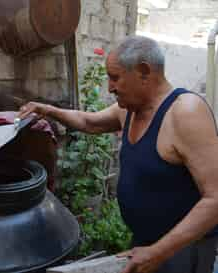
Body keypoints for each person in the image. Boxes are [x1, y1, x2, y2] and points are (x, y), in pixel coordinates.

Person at [18, 35, 218, 273]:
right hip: (146, 244)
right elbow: (88, 122)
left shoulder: (185, 113)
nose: (110, 87)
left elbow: (215, 199)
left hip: (182, 250)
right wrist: (47, 110)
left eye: (115, 78)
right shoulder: (130, 110)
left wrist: (159, 251)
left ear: (144, 72)